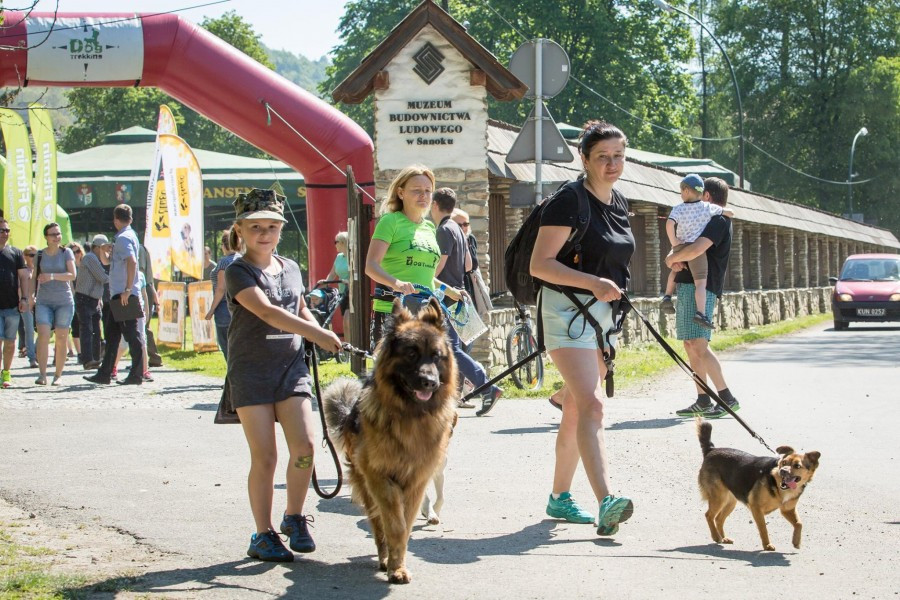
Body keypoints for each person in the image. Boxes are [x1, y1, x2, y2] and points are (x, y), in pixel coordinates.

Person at [223, 188, 341, 562]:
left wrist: (318, 328)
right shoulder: (237, 271)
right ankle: (262, 534)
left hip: (291, 371)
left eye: (272, 226)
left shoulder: (290, 267)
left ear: (281, 229)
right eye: (255, 226)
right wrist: (317, 333)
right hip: (251, 373)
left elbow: (298, 306)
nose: (265, 234)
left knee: (305, 447)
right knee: (266, 457)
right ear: (240, 230)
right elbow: (269, 312)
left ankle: (293, 516)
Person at [529, 120, 636, 536]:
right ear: (585, 159)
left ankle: (559, 497)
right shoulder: (567, 202)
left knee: (577, 405)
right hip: (565, 310)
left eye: (618, 156)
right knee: (592, 405)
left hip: (602, 315)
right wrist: (594, 283)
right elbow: (541, 265)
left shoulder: (620, 201)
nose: (612, 164)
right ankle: (607, 500)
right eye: (603, 157)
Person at [364, 166, 502, 415]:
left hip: (427, 311)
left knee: (433, 369)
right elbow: (371, 266)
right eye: (416, 190)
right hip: (394, 313)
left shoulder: (429, 229)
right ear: (401, 192)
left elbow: (427, 276)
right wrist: (396, 283)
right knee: (391, 375)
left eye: (428, 190)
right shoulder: (390, 222)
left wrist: (450, 292)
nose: (424, 196)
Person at [666, 177, 741, 419]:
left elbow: (697, 248)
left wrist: (670, 258)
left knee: (699, 344)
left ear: (706, 196)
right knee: (690, 344)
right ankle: (702, 398)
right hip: (688, 284)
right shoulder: (708, 218)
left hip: (704, 286)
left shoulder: (718, 220)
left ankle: (726, 397)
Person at [431, 188, 481, 409]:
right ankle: (451, 394)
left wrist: (426, 278)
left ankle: (485, 383)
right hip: (460, 293)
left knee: (451, 349)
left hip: (446, 295)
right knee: (454, 347)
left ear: (434, 204)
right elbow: (468, 266)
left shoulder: (443, 229)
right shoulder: (459, 229)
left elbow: (438, 266)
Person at [84, 204, 144, 386]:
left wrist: (127, 289)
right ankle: (105, 373)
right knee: (112, 335)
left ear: (116, 220)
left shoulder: (124, 238)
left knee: (132, 335)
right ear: (131, 218)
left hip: (124, 295)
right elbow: (111, 263)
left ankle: (136, 374)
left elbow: (131, 262)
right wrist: (106, 251)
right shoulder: (126, 236)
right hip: (117, 294)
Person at [660, 174, 725, 330]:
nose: (680, 194)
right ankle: (700, 313)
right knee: (701, 283)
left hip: (680, 245)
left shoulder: (678, 208)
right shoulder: (707, 207)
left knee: (675, 270)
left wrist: (674, 242)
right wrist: (729, 212)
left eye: (681, 190)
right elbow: (726, 212)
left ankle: (667, 296)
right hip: (695, 249)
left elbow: (669, 224)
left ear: (687, 190)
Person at [31, 223, 77, 385]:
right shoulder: (40, 255)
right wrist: (30, 296)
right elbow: (34, 277)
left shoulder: (66, 252)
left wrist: (51, 276)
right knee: (43, 335)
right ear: (46, 237)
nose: (57, 237)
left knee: (61, 337)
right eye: (53, 234)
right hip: (44, 301)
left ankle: (58, 375)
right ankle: (42, 375)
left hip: (64, 301)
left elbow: (72, 275)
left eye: (58, 234)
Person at [0, 218, 30, 389]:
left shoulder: (16, 253)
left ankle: (6, 371)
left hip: (12, 304)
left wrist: (25, 298)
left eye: (7, 230)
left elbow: (23, 277)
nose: (5, 233)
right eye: (2, 230)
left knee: (10, 341)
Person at [74, 235, 110, 370]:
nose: (107, 251)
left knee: (96, 330)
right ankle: (88, 359)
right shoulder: (91, 258)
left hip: (93, 299)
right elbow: (102, 277)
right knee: (87, 330)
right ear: (98, 248)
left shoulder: (97, 259)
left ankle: (95, 359)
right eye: (105, 248)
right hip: (85, 298)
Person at [204, 229, 238, 360]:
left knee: (226, 346)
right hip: (240, 307)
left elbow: (220, 288)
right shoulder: (243, 260)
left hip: (224, 307)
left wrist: (211, 310)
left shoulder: (224, 262)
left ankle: (232, 377)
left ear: (224, 245)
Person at [138, 245, 163, 368]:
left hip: (142, 288)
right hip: (146, 287)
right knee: (144, 326)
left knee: (143, 325)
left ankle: (153, 358)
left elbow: (141, 271)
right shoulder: (142, 248)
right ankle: (152, 358)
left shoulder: (139, 249)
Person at [16, 245, 38, 368]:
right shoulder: (22, 270)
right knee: (29, 330)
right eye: (31, 255)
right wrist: (24, 300)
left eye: (35, 255)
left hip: (41, 303)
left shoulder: (40, 270)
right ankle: (32, 358)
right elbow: (19, 288)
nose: (34, 258)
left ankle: (35, 351)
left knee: (45, 330)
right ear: (25, 256)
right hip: (27, 304)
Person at [318, 231, 350, 315]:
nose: (335, 244)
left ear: (343, 242)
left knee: (347, 317)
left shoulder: (353, 256)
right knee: (345, 321)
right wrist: (326, 282)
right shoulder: (339, 257)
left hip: (352, 292)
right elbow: (332, 274)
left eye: (336, 242)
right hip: (342, 292)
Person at [66, 242, 85, 361]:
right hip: (72, 298)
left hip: (86, 297)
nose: (76, 254)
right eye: (73, 252)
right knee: (75, 325)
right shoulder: (68, 265)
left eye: (78, 251)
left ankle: (86, 351)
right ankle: (79, 353)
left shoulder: (85, 264)